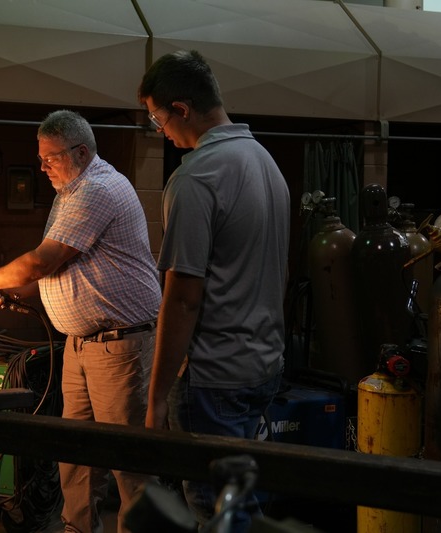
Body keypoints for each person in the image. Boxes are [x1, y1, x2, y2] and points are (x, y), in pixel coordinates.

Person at [0, 109, 162, 533]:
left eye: (50, 158)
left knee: (128, 461)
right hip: (82, 346)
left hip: (118, 348)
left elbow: (42, 262)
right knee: (74, 457)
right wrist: (6, 292)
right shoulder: (69, 191)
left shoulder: (95, 189)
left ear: (80, 152)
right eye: (40, 158)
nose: (42, 167)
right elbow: (57, 272)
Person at [137, 50, 290, 530]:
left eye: (158, 118)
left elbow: (183, 298)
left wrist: (157, 395)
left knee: (216, 513)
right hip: (263, 366)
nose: (160, 130)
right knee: (244, 504)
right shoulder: (266, 163)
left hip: (214, 378)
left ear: (181, 109)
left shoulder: (197, 178)